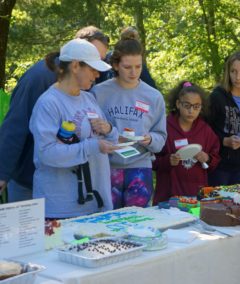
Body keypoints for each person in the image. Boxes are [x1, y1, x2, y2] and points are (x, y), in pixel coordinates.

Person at [0, 26, 110, 202]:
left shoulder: (86, 86)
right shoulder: (39, 77)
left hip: (69, 185)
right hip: (28, 179)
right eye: (93, 58)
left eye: (101, 59)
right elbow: (15, 125)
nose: (98, 72)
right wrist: (3, 172)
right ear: (76, 57)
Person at [29, 39, 119, 218]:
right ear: (76, 66)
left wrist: (110, 130)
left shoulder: (89, 99)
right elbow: (46, 153)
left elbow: (109, 141)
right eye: (92, 69)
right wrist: (93, 146)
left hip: (96, 205)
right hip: (61, 209)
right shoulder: (48, 104)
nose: (97, 75)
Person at [92, 34, 167, 209]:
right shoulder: (99, 92)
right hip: (107, 167)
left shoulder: (153, 96)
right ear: (116, 65)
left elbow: (161, 138)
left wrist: (150, 139)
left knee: (137, 221)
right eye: (127, 67)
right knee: (108, 220)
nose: (133, 72)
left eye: (138, 67)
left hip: (140, 166)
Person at [153, 82, 220, 204]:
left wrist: (207, 158)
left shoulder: (205, 130)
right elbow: (152, 160)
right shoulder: (165, 126)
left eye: (196, 106)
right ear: (178, 104)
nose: (191, 111)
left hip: (196, 195)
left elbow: (215, 159)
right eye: (187, 105)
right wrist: (168, 161)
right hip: (168, 195)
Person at [207, 50, 240, 186]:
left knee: (238, 203)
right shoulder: (217, 97)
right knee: (218, 204)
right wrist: (224, 140)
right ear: (228, 72)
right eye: (233, 71)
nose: (238, 77)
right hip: (219, 165)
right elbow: (206, 129)